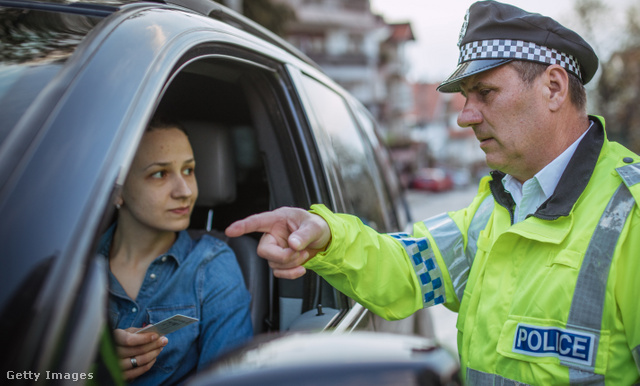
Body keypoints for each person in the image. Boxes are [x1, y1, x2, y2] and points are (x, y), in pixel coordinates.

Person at [225, 1, 640, 384]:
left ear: (553, 87)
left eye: (485, 92)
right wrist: (326, 236)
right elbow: (405, 266)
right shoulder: (497, 209)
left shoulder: (631, 218)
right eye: (465, 97)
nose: (465, 117)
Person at [98, 118, 252, 384]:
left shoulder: (211, 266)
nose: (185, 191)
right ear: (116, 191)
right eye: (160, 173)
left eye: (189, 170)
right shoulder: (71, 265)